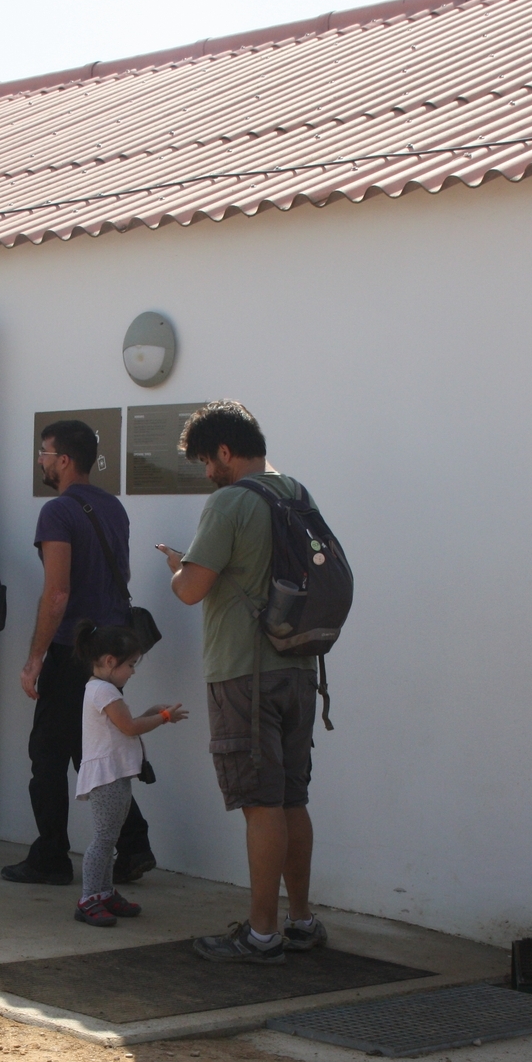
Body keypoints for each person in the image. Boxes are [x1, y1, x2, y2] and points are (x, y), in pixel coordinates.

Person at [157, 400, 326, 964]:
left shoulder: (230, 501)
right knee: (292, 798)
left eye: (208, 461)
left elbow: (191, 590)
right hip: (300, 666)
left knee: (260, 803)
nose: (209, 473)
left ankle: (261, 934)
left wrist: (177, 568)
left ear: (225, 451)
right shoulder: (295, 492)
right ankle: (301, 921)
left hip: (243, 672)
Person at [6, 419, 159, 885]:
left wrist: (35, 658)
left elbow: (58, 593)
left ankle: (51, 856)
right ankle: (134, 846)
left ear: (64, 460)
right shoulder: (113, 507)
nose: (40, 461)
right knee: (90, 749)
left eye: (44, 453)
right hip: (109, 650)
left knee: (48, 756)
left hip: (73, 651)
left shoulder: (57, 512)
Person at [69, 621, 187, 926]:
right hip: (107, 777)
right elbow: (130, 727)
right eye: (131, 664)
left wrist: (152, 713)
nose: (133, 672)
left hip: (115, 774)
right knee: (104, 839)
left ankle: (104, 893)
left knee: (110, 837)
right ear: (110, 661)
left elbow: (124, 726)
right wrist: (163, 717)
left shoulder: (102, 689)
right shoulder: (104, 691)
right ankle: (88, 899)